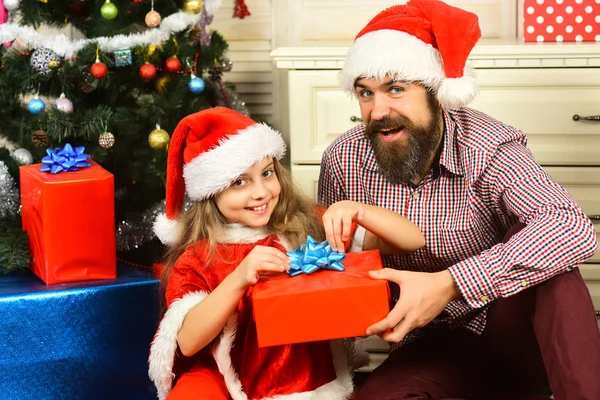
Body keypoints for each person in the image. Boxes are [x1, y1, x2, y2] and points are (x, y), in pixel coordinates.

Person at [318, 1, 600, 399]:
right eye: (366, 93)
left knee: (556, 268)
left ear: (436, 92)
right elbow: (337, 272)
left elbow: (572, 228)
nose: (378, 110)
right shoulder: (343, 160)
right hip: (428, 346)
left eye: (396, 89)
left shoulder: (488, 145)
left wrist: (450, 284)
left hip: (513, 330)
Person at [147, 107, 425, 400]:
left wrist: (359, 210)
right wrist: (239, 279)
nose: (261, 192)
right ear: (210, 193)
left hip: (314, 384)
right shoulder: (200, 257)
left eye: (267, 173)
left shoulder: (305, 226)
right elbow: (188, 343)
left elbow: (412, 239)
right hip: (232, 383)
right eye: (239, 182)